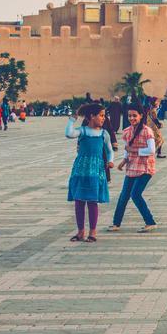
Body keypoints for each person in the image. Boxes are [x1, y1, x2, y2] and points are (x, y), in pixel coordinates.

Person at [66, 103, 113, 242]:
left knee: (92, 201)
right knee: (79, 201)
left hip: (95, 170)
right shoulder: (83, 131)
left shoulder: (104, 134)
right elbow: (69, 134)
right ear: (92, 116)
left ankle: (93, 232)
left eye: (104, 115)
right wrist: (71, 120)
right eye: (101, 115)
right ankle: (80, 232)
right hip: (81, 170)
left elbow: (109, 150)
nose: (104, 118)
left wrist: (110, 161)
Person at [109, 105, 157, 232]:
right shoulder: (127, 131)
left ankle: (150, 222)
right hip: (132, 167)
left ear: (141, 116)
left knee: (135, 194)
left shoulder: (147, 131)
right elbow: (127, 148)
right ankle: (116, 223)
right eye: (129, 115)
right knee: (124, 196)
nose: (132, 118)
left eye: (134, 115)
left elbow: (152, 150)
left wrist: (134, 151)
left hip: (145, 167)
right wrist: (123, 161)